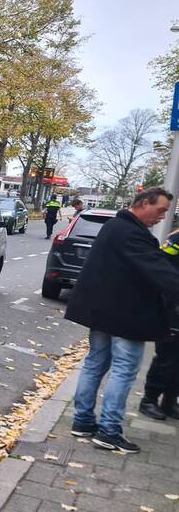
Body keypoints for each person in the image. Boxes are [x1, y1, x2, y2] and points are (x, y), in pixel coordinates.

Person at [66, 188, 179, 453]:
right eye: (161, 210)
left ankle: (82, 422)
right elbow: (158, 269)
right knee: (124, 370)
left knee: (94, 364)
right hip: (127, 316)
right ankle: (109, 431)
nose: (163, 217)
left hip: (103, 312)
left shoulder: (115, 227)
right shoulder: (131, 233)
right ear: (143, 203)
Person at [140, 227, 179, 420]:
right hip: (174, 309)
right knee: (167, 357)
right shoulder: (176, 239)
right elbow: (165, 269)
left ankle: (170, 402)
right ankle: (149, 400)